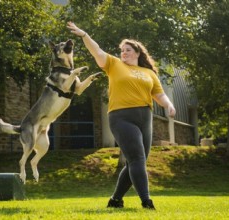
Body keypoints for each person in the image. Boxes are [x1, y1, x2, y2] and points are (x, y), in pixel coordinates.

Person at [67, 22, 176, 210]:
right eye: (122, 50)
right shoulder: (114, 64)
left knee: (137, 160)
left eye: (127, 50)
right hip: (121, 117)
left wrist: (169, 105)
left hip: (145, 117)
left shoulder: (149, 72)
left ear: (138, 52)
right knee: (137, 159)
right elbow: (97, 51)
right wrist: (84, 35)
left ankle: (115, 200)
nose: (123, 53)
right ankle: (146, 202)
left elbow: (158, 94)